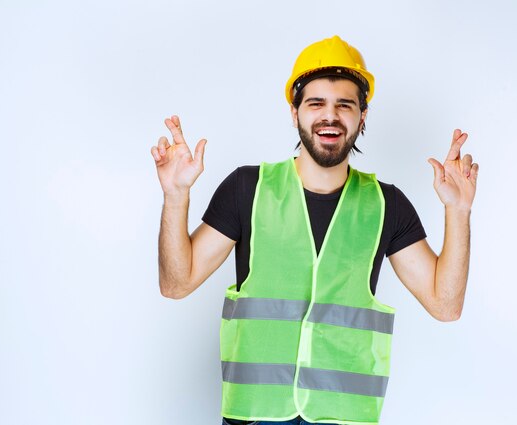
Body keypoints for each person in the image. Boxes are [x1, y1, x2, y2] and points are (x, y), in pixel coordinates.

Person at [150, 35, 479, 425]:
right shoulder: (247, 189)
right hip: (256, 416)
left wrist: (458, 211)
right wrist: (175, 197)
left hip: (344, 417)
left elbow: (446, 305)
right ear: (295, 113)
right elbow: (176, 283)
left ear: (363, 115)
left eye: (345, 104)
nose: (330, 116)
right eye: (316, 103)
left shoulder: (386, 205)